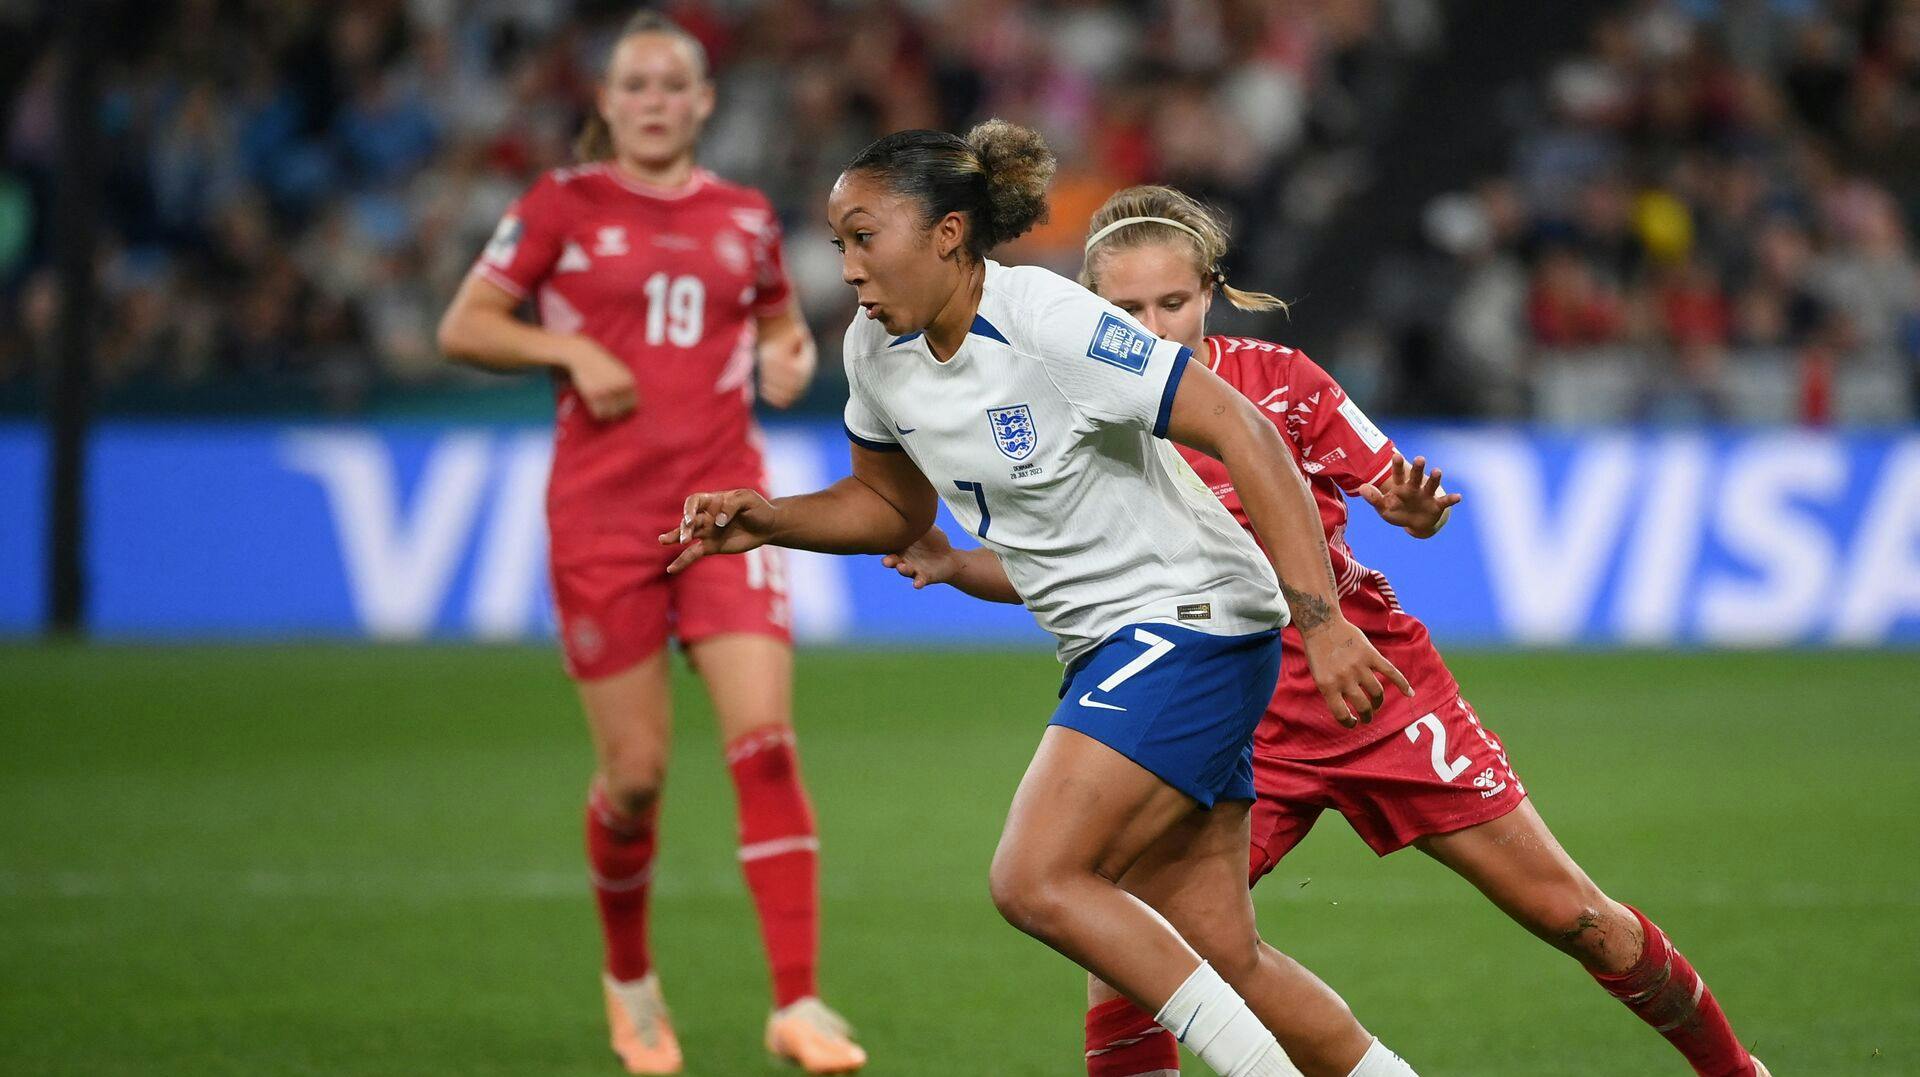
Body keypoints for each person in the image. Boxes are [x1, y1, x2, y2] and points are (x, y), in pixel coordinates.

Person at [883, 185, 1770, 1077]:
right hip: (1232, 709)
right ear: (1089, 307)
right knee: (1130, 947)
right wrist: (959, 565)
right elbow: (1073, 570)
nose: (1152, 326)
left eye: (1173, 302)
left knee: (1568, 912)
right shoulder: (1074, 403)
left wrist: (1415, 510)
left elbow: (1392, 488)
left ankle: (1736, 1071)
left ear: (1211, 293)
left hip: (1370, 685)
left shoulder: (1277, 383)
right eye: (1126, 309)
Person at [663, 121, 1423, 1077]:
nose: (848, 267)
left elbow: (1243, 430)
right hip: (1119, 644)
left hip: (1189, 618)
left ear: (946, 234)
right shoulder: (873, 349)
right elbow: (890, 506)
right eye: (838, 244)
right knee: (1224, 954)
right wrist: (771, 517)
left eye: (865, 236)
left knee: (1035, 877)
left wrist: (1325, 625)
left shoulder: (1049, 320)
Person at [436, 13, 865, 1075]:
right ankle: (630, 983)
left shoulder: (746, 218)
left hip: (728, 512)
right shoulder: (560, 206)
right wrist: (568, 347)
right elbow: (465, 325)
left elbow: (775, 325)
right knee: (633, 778)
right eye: (637, 84)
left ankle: (799, 1005)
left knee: (764, 742)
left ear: (704, 101)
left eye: (675, 83)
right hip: (602, 520)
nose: (656, 100)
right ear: (609, 102)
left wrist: (790, 351)